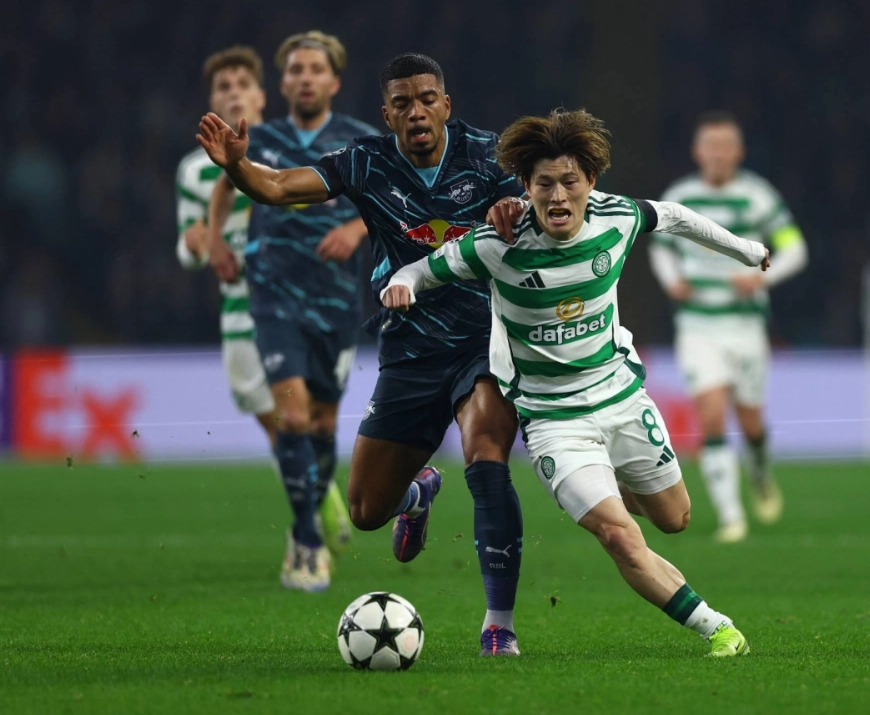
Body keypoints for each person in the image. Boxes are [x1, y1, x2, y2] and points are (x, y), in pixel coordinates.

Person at [383, 109, 768, 657]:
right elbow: (423, 268)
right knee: (618, 534)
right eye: (544, 184)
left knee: (674, 518)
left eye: (570, 181)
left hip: (622, 399)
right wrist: (401, 284)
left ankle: (607, 479)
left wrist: (748, 253)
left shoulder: (619, 218)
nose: (558, 195)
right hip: (553, 422)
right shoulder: (496, 243)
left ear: (591, 182)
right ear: (526, 187)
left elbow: (678, 216)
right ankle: (718, 628)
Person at [198, 53, 527, 655]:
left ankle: (498, 625)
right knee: (367, 509)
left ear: (446, 105)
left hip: (484, 342)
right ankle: (416, 493)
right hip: (407, 351)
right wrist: (240, 167)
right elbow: (276, 187)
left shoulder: (488, 157)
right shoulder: (365, 161)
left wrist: (517, 212)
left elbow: (540, 211)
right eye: (402, 103)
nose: (417, 111)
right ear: (388, 115)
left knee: (486, 458)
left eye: (427, 98)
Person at [205, 31, 378, 592]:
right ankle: (306, 537)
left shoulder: (360, 142)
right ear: (282, 84)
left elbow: (392, 203)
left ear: (334, 81)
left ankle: (308, 526)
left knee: (325, 425)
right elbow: (228, 189)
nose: (304, 78)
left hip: (336, 299)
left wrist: (355, 227)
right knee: (295, 419)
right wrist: (215, 239)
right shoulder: (262, 138)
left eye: (314, 69)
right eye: (296, 70)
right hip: (274, 293)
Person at [650, 111, 808, 543]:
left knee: (752, 423)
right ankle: (731, 516)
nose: (718, 155)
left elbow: (795, 249)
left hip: (746, 326)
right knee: (713, 417)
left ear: (738, 152)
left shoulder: (757, 196)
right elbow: (660, 248)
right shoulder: (680, 195)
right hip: (698, 326)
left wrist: (762, 277)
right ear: (697, 151)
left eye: (726, 146)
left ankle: (760, 474)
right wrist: (671, 281)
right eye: (710, 146)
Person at [175, 46, 276, 447]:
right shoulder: (194, 170)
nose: (234, 93)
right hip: (238, 313)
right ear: (212, 101)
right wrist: (195, 247)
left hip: (293, 304)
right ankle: (322, 508)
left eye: (243, 84)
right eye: (224, 86)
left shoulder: (286, 151)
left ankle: (325, 511)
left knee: (301, 420)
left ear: (261, 97)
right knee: (277, 426)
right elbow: (188, 254)